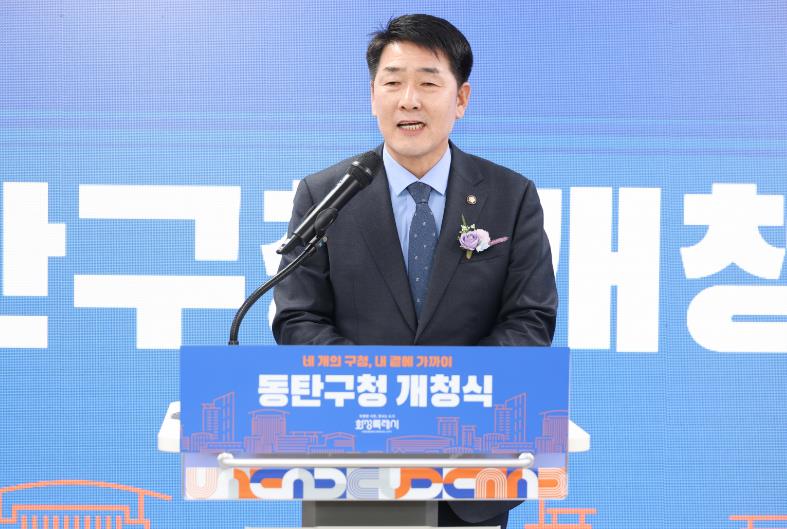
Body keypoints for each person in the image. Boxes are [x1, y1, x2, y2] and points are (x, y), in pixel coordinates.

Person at [273, 14, 557, 528]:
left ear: (461, 98)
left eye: (428, 83)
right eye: (393, 82)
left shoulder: (511, 197)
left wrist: (446, 392)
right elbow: (298, 318)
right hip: (354, 464)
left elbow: (530, 319)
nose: (409, 100)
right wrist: (381, 388)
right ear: (372, 95)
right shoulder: (325, 195)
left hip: (472, 464)